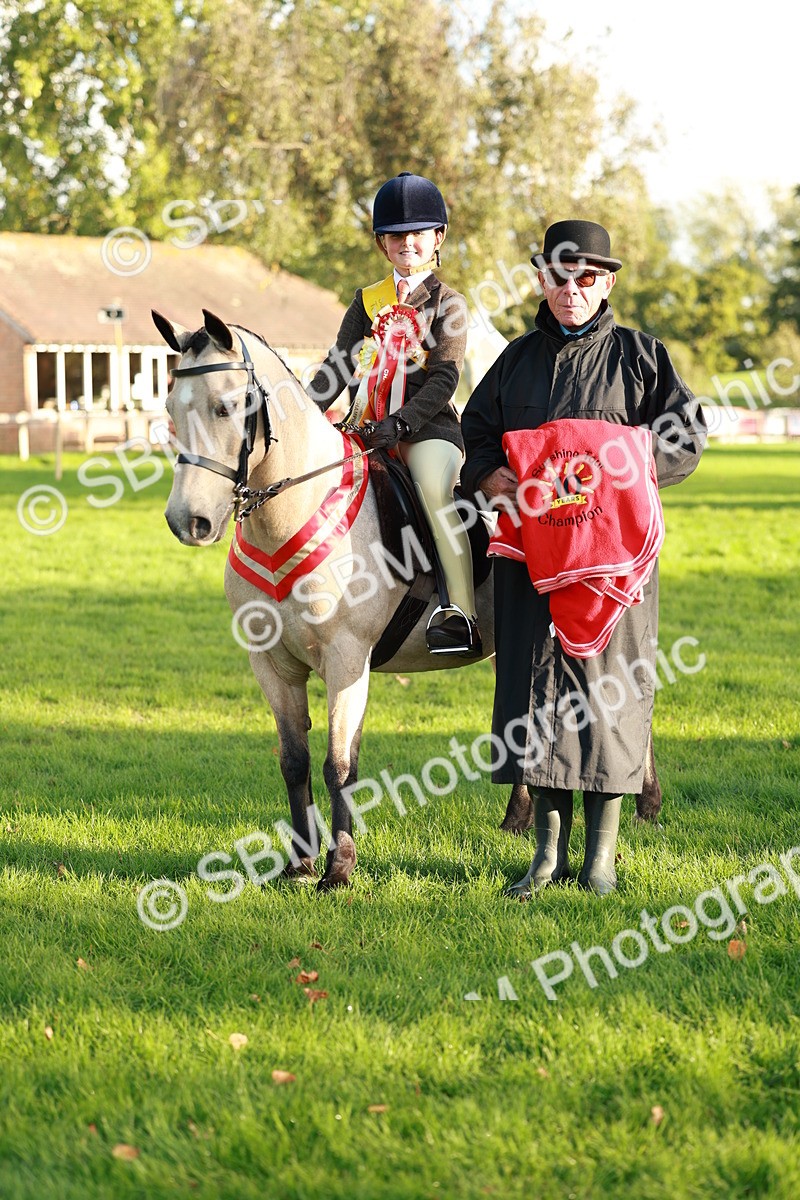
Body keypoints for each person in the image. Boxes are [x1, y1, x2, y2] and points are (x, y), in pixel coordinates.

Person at [461, 219, 707, 894]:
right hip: (530, 565)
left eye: (588, 278)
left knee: (607, 700)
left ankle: (599, 858)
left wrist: (626, 463)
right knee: (535, 696)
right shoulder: (514, 361)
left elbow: (686, 433)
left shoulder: (641, 357)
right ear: (542, 279)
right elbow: (475, 431)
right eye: (560, 277)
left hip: (612, 568)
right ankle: (546, 857)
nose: (573, 290)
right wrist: (488, 475)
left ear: (608, 282)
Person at [305, 171, 481, 656]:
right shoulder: (366, 301)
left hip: (428, 429)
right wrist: (303, 410)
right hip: (366, 426)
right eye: (397, 235)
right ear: (383, 243)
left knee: (432, 489)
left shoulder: (449, 303)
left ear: (437, 238)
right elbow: (339, 365)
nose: (407, 242)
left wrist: (401, 424)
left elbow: (445, 377)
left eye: (418, 233)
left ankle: (459, 612)